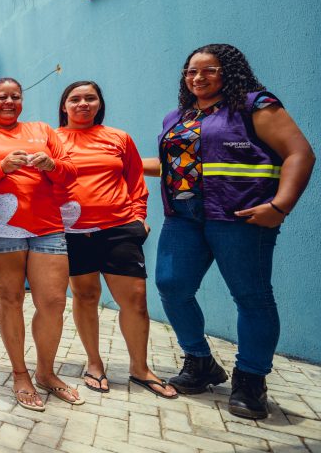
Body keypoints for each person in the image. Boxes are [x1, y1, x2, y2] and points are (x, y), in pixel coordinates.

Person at [146, 43, 314, 419]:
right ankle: (200, 361)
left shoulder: (254, 105)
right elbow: (175, 164)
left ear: (230, 71)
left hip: (239, 216)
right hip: (183, 217)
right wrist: (119, 161)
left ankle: (251, 379)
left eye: (210, 70)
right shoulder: (178, 116)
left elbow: (299, 153)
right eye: (191, 71)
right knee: (172, 286)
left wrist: (280, 206)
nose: (198, 77)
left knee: (252, 297)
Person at [56, 81, 177, 398]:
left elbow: (135, 179)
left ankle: (140, 368)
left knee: (136, 300)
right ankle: (94, 364)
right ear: (64, 106)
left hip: (119, 228)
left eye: (90, 98)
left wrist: (139, 217)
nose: (83, 103)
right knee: (85, 296)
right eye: (75, 99)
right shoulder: (52, 140)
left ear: (99, 104)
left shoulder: (118, 138)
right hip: (73, 232)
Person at [0, 77, 79, 412]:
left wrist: (52, 165)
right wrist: (1, 167)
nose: (9, 102)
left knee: (53, 301)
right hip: (3, 227)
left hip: (47, 225)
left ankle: (46, 373)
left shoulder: (42, 130)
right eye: (2, 96)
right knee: (11, 299)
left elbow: (70, 172)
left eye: (16, 97)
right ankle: (20, 374)